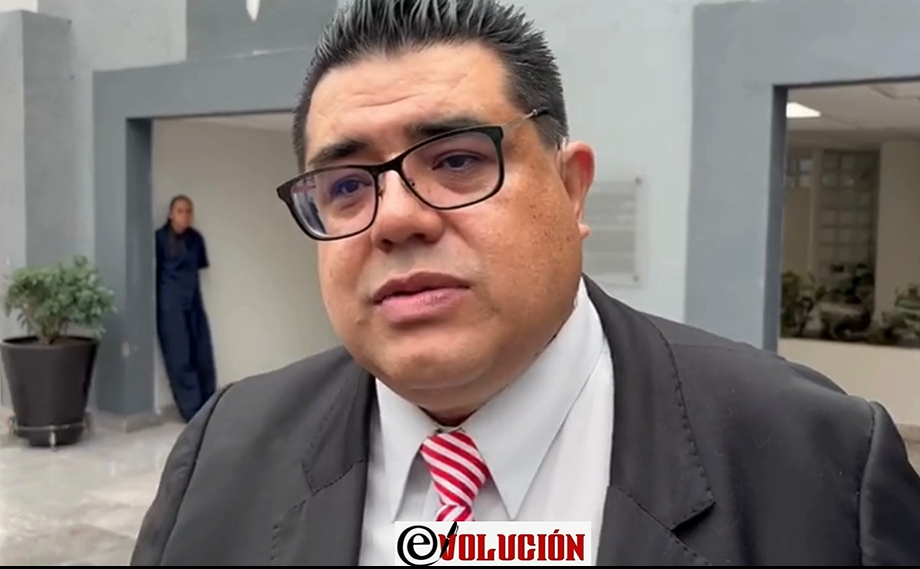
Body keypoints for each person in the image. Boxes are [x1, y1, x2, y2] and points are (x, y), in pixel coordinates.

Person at [131, 0, 920, 565]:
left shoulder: (821, 466)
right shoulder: (222, 454)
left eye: (457, 159)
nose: (394, 218)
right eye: (344, 185)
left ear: (571, 190)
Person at [154, 195, 216, 423]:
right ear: (171, 214)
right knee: (180, 357)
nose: (185, 216)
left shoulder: (195, 239)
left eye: (189, 211)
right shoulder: (160, 239)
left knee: (202, 352)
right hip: (170, 304)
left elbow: (198, 268)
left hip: (193, 300)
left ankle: (209, 405)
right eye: (180, 211)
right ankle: (192, 412)